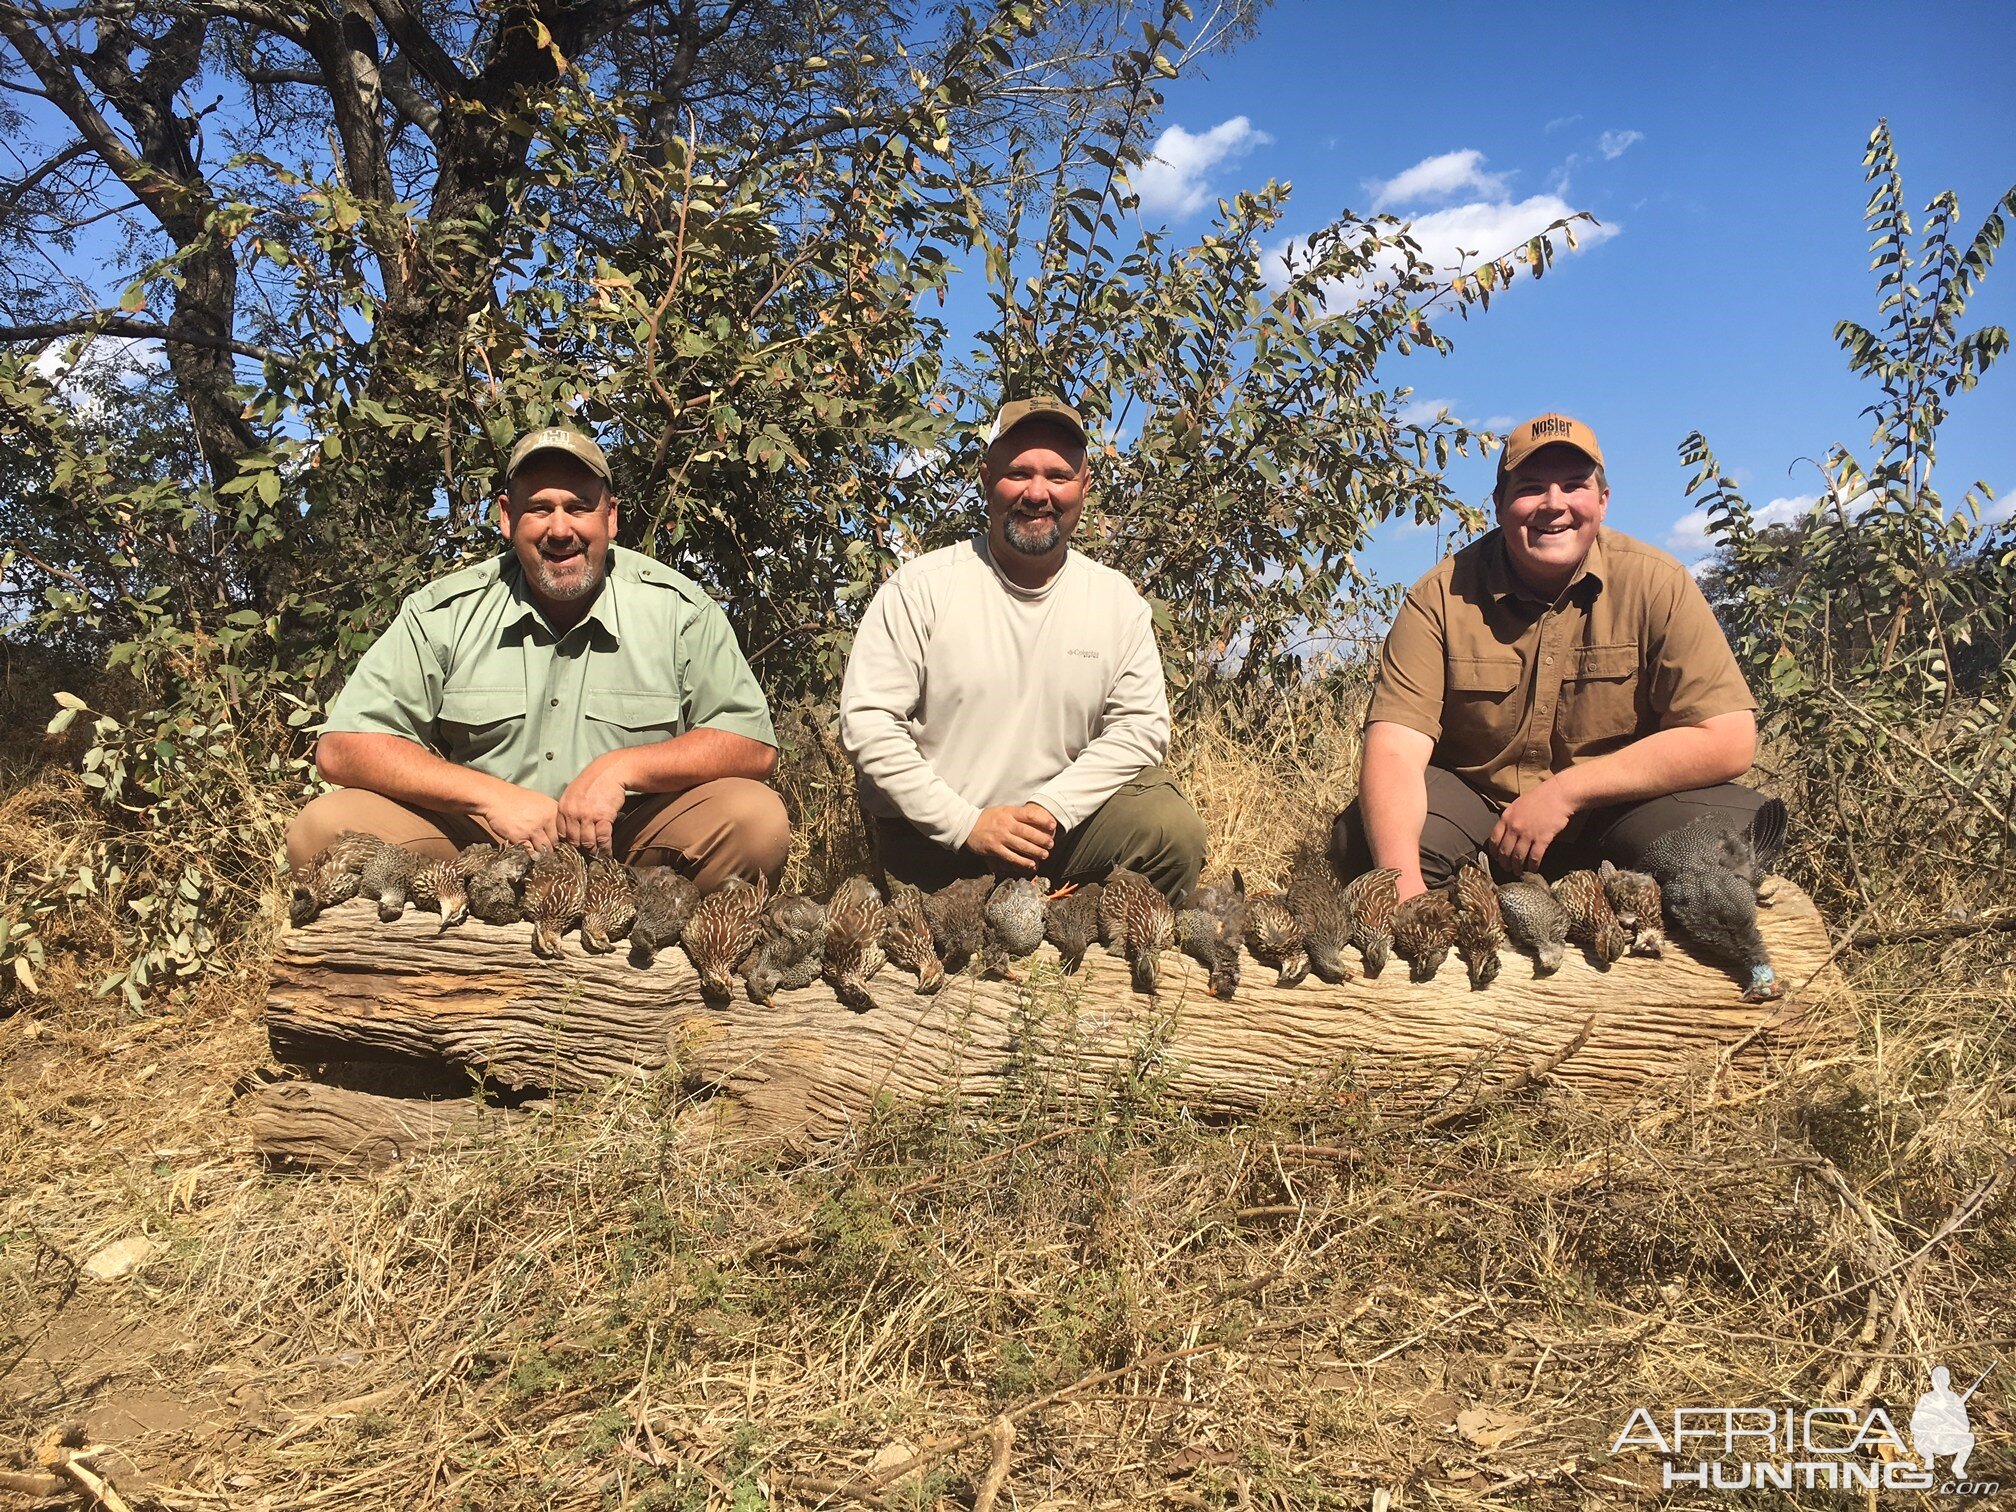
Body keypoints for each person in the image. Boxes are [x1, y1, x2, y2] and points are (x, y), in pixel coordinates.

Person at [286, 424, 789, 889]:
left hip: (630, 845)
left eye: (578, 506)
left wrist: (621, 770)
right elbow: (343, 747)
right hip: (480, 850)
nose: (560, 528)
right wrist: (490, 798)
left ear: (609, 517)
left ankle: (671, 949)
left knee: (754, 820)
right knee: (323, 830)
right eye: (540, 508)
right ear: (507, 517)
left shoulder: (679, 611)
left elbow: (751, 744)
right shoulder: (444, 612)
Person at [1331, 412, 1779, 900]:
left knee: (1727, 847)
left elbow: (1729, 739)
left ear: (1602, 502)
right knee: (1368, 847)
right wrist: (1405, 892)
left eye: (1573, 485)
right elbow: (1395, 746)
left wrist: (1567, 793)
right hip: (1483, 818)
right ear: (1499, 504)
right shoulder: (1438, 597)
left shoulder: (1658, 583)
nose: (1553, 505)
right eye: (1530, 488)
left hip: (1618, 811)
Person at [839, 395, 1207, 897]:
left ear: (1084, 487)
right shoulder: (920, 588)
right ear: (987, 479)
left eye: (1058, 476)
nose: (1038, 493)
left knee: (1171, 831)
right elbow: (868, 723)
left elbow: (1141, 728)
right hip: (939, 841)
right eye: (1019, 473)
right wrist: (966, 823)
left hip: (1057, 835)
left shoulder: (1116, 601)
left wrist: (1052, 808)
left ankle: (1069, 920)